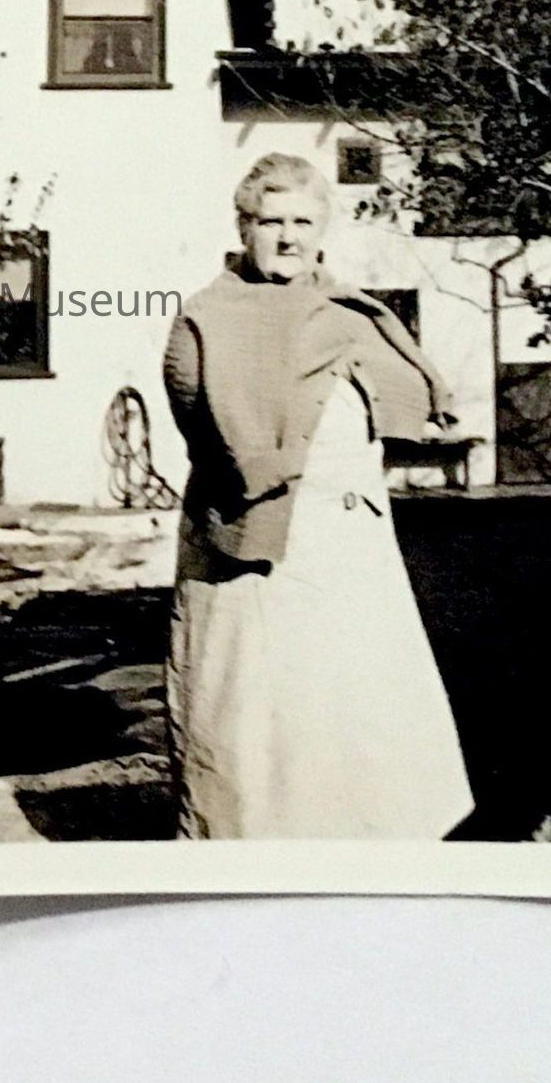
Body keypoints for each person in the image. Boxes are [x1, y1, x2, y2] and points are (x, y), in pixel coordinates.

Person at [161, 151, 472, 839]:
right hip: (258, 544)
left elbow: (403, 389)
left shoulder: (347, 310)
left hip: (352, 544)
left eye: (302, 222)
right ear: (244, 228)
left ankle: (367, 849)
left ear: (322, 229)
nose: (288, 237)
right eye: (272, 221)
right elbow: (203, 429)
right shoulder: (209, 318)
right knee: (259, 718)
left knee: (356, 707)